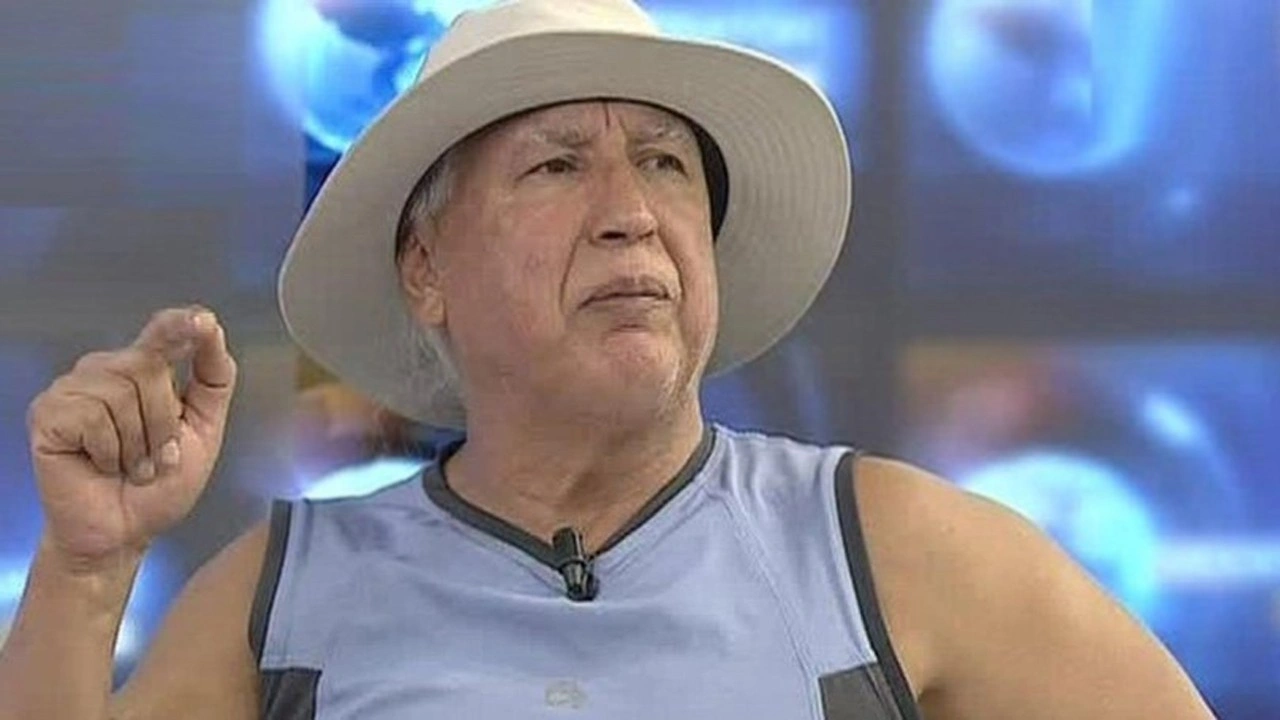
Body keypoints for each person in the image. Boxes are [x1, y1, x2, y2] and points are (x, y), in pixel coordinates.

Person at [0, 1, 1217, 718]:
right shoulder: (284, 592)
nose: (631, 212)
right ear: (425, 267)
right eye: (556, 164)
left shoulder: (885, 546)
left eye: (664, 163)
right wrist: (87, 574)